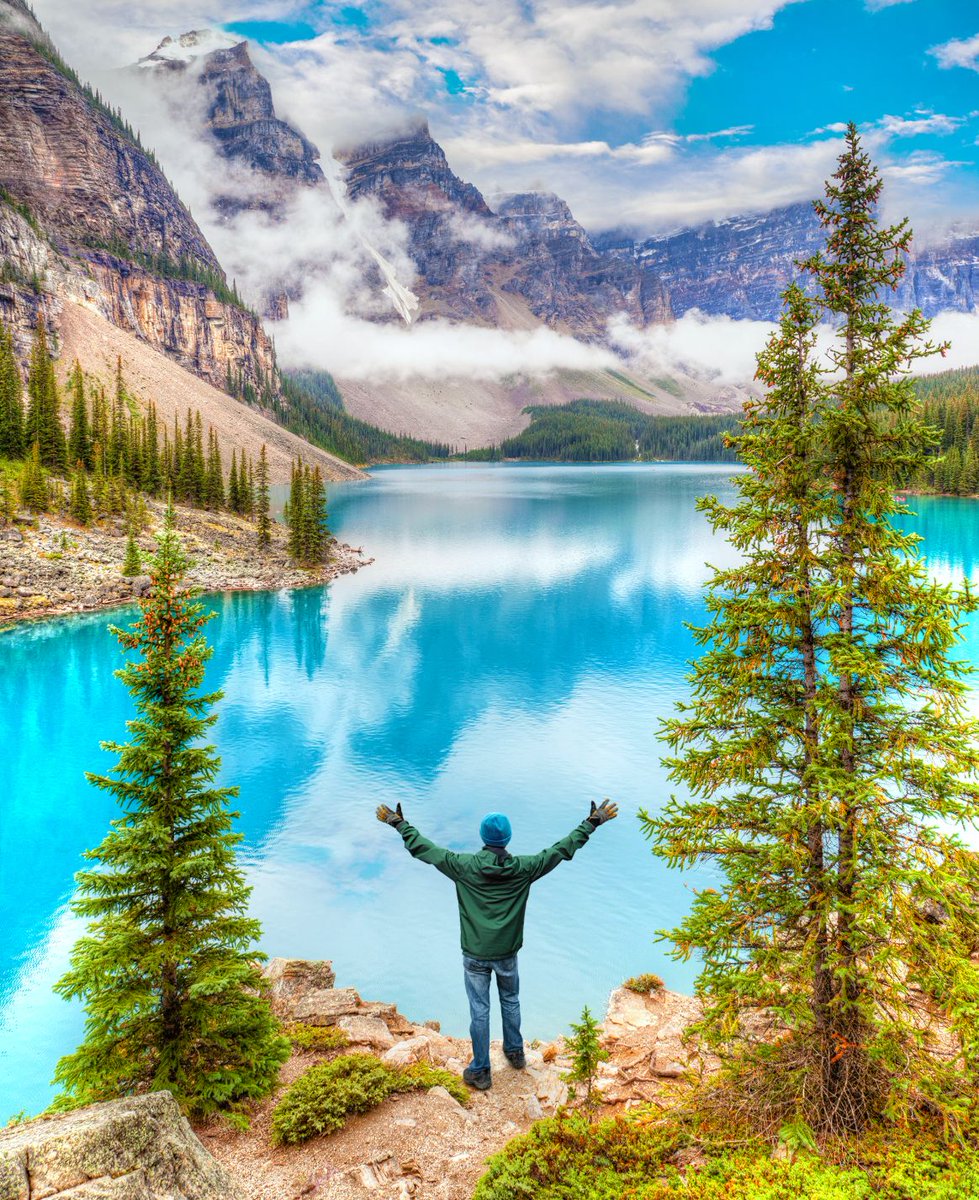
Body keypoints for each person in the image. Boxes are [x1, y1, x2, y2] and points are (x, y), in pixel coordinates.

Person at [375, 800, 619, 1090]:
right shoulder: (525, 868)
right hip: (507, 953)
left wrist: (398, 823)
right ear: (507, 839)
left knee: (479, 1009)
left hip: (475, 954)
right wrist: (592, 822)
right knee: (511, 1000)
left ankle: (481, 1070)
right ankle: (515, 1052)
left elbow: (425, 849)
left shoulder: (462, 866)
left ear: (483, 838)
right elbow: (561, 850)